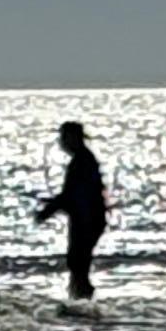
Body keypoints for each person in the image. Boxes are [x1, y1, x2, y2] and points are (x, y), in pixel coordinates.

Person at [34, 120, 109, 299]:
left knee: (78, 263)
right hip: (89, 218)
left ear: (74, 138)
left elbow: (72, 194)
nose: (61, 142)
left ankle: (81, 301)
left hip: (87, 220)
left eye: (64, 138)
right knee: (78, 264)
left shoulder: (82, 161)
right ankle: (79, 300)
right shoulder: (84, 159)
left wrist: (47, 211)